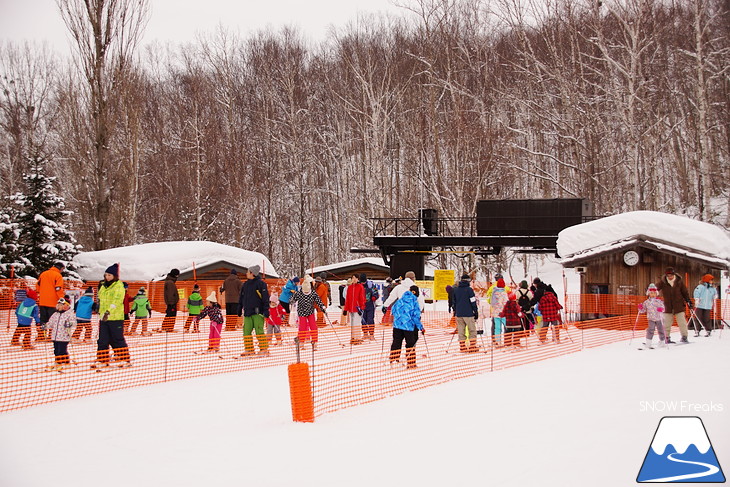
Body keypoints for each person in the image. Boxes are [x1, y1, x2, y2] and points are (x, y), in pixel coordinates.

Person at [92, 263, 131, 369]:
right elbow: (100, 297)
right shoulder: (103, 286)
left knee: (117, 339)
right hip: (103, 317)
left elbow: (117, 300)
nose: (107, 277)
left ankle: (124, 358)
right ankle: (102, 359)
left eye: (109, 275)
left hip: (115, 317)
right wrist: (98, 307)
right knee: (102, 340)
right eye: (106, 275)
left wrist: (108, 311)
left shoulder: (119, 286)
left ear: (114, 276)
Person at [389, 285, 425, 369]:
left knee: (396, 342)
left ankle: (393, 359)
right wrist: (421, 327)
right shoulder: (414, 302)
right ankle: (411, 362)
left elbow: (393, 310)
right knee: (410, 344)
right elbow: (416, 317)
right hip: (408, 327)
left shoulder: (400, 300)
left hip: (397, 326)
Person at [239, 265, 270, 356]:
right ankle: (249, 349)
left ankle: (264, 349)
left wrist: (266, 310)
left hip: (258, 312)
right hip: (248, 312)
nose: (246, 273)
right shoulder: (245, 284)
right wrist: (239, 307)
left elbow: (265, 298)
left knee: (259, 331)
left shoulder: (260, 284)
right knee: (246, 331)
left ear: (252, 273)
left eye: (248, 272)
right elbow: (241, 297)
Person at [656, 267, 693, 344]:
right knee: (666, 323)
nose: (670, 277)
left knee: (682, 322)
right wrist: (650, 291)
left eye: (671, 275)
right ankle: (666, 337)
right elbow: (655, 289)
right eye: (668, 276)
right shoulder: (663, 282)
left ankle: (684, 337)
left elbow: (685, 292)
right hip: (667, 306)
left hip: (679, 306)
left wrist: (688, 301)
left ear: (674, 274)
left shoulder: (679, 282)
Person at [291, 279, 327, 350]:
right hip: (301, 313)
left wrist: (322, 307)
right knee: (302, 327)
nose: (306, 292)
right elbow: (292, 300)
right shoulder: (299, 293)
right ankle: (301, 342)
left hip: (310, 312)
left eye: (307, 291)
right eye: (305, 292)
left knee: (313, 326)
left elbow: (318, 300)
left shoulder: (313, 293)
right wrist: (291, 300)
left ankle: (315, 342)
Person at [43, 297, 77, 371]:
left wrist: (69, 324)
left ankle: (63, 362)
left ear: (67, 306)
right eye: (59, 305)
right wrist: (46, 326)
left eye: (62, 305)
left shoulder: (69, 314)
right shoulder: (55, 314)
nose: (59, 307)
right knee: (56, 350)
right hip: (55, 336)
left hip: (64, 336)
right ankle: (58, 362)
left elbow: (74, 322)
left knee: (62, 350)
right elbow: (51, 323)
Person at [37, 262, 66, 342]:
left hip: (42, 301)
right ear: (60, 268)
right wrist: (62, 298)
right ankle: (50, 336)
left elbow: (38, 286)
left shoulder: (43, 274)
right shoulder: (58, 275)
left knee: (43, 320)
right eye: (62, 269)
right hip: (53, 302)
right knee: (53, 320)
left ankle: (41, 335)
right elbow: (58, 288)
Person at [451, 273, 480, 353]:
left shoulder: (456, 290)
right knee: (472, 330)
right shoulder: (469, 290)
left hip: (459, 313)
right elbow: (473, 301)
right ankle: (472, 346)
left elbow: (454, 302)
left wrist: (455, 310)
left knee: (461, 330)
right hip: (468, 313)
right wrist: (475, 311)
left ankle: (462, 346)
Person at [639, 283, 665, 348]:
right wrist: (640, 308)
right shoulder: (646, 302)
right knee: (651, 330)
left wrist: (661, 309)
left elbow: (663, 308)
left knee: (661, 330)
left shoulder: (659, 301)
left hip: (659, 318)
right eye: (651, 293)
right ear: (649, 294)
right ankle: (648, 342)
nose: (653, 295)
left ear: (656, 294)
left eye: (654, 293)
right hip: (651, 318)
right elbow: (643, 310)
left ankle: (662, 341)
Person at [343, 274, 365, 345]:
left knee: (356, 323)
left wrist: (361, 308)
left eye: (355, 278)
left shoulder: (360, 287)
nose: (354, 279)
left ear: (358, 279)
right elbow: (347, 299)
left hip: (357, 308)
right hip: (351, 308)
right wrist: (345, 309)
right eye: (353, 278)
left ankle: (357, 338)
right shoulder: (349, 287)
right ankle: (353, 337)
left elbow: (362, 298)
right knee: (352, 324)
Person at [489, 278, 508, 346]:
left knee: (497, 328)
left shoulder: (494, 292)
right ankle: (507, 341)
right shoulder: (503, 293)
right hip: (503, 313)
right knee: (506, 327)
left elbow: (491, 302)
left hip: (496, 313)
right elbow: (506, 303)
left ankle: (498, 341)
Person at [360, 273, 379, 340]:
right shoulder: (358, 285)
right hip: (361, 306)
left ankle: (371, 334)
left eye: (364, 282)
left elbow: (376, 292)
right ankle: (365, 333)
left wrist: (374, 296)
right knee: (363, 320)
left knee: (370, 320)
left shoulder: (370, 285)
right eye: (362, 282)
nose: (363, 283)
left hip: (370, 305)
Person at [162, 268, 180, 332]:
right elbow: (170, 293)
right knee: (171, 315)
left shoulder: (170, 281)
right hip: (171, 302)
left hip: (171, 302)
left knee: (169, 314)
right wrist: (172, 303)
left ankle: (166, 327)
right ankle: (168, 327)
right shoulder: (170, 283)